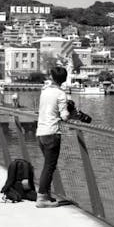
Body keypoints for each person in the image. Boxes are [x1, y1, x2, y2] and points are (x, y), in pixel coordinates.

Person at [35, 66, 70, 208]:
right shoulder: (61, 94)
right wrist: (69, 111)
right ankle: (42, 198)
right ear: (64, 79)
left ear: (51, 77)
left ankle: (46, 195)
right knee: (49, 167)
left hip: (40, 132)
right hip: (52, 133)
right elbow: (65, 116)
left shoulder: (45, 92)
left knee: (47, 166)